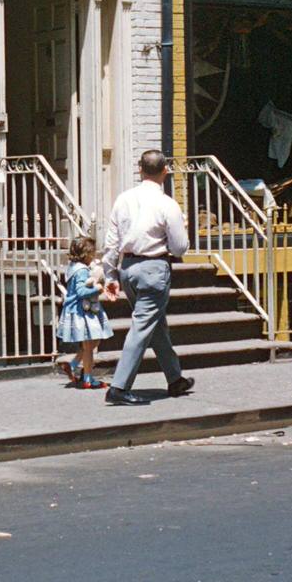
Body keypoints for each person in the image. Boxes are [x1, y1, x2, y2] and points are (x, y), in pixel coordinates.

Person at [100, 150, 193, 406]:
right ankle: (119, 387)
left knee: (155, 325)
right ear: (165, 171)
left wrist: (111, 274)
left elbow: (111, 242)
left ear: (140, 169)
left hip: (128, 268)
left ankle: (175, 379)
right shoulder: (168, 204)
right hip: (154, 269)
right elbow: (179, 248)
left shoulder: (123, 200)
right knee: (142, 327)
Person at [55, 236, 111, 390]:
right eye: (92, 253)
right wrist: (98, 289)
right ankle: (88, 378)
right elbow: (81, 291)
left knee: (92, 342)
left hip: (79, 310)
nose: (94, 256)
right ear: (86, 254)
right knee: (89, 345)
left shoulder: (74, 267)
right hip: (82, 311)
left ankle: (73, 365)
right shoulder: (81, 271)